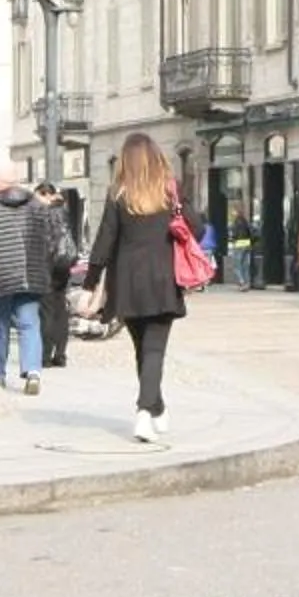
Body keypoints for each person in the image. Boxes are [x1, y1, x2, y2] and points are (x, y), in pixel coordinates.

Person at [81, 130, 189, 446]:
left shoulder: (118, 194)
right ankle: (146, 410)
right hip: (162, 280)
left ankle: (154, 407)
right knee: (154, 349)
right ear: (157, 158)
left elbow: (104, 242)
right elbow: (197, 225)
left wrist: (90, 284)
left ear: (125, 161)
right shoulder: (171, 191)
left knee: (143, 348)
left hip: (126, 283)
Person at [0, 161, 57, 395]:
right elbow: (51, 242)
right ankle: (33, 371)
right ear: (16, 181)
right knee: (29, 323)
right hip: (31, 275)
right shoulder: (38, 207)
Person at [32, 182, 75, 369]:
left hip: (47, 265)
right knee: (60, 309)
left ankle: (45, 356)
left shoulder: (45, 213)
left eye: (37, 197)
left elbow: (43, 242)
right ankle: (61, 354)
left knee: (46, 311)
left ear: (45, 194)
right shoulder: (64, 211)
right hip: (63, 265)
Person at [228, 209, 256, 290]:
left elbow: (234, 234)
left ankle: (242, 282)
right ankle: (247, 283)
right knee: (245, 266)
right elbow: (252, 233)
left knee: (237, 266)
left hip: (239, 244)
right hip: (247, 244)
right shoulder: (246, 222)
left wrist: (233, 239)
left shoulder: (236, 223)